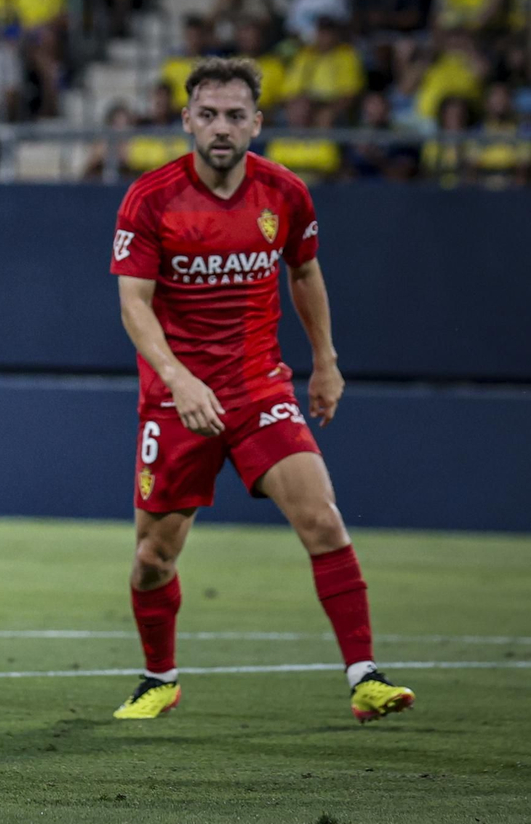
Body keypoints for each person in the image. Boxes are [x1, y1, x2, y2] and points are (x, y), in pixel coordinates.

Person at [107, 57, 414, 724]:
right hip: (175, 398)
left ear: (257, 123)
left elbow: (305, 274)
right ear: (187, 118)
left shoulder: (284, 193)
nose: (222, 127)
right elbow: (135, 305)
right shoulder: (151, 198)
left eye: (235, 115)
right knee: (153, 558)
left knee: (323, 519)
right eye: (209, 114)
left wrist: (325, 361)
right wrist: (179, 378)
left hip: (258, 389)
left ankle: (365, 675)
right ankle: (159, 676)